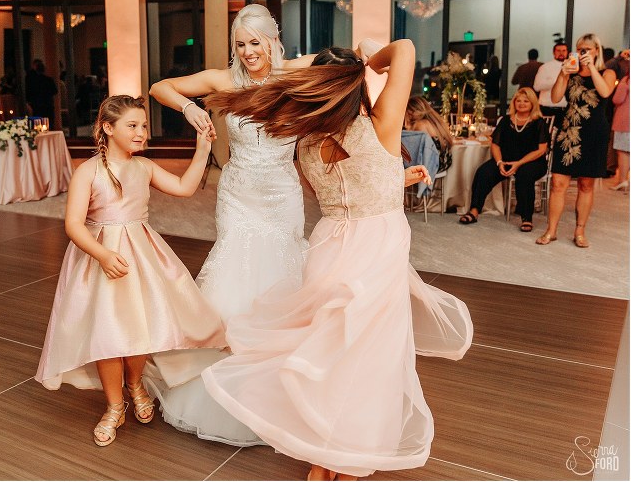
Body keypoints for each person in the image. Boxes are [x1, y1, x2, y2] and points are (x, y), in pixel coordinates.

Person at [145, 3, 422, 446]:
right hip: (238, 193)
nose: (248, 51)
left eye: (255, 42)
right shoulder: (223, 78)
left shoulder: (296, 72)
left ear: (272, 40)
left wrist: (370, 57)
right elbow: (161, 86)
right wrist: (188, 109)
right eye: (240, 43)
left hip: (283, 192)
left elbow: (350, 64)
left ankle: (281, 390)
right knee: (233, 270)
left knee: (282, 276)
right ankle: (213, 385)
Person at [200, 42, 473, 480]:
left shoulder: (304, 141)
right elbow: (403, 48)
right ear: (357, 83)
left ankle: (319, 464)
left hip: (329, 247)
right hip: (375, 250)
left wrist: (392, 176)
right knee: (370, 360)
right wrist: (369, 62)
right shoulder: (380, 124)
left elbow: (335, 192)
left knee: (333, 354)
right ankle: (346, 462)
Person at [35, 95, 227, 446]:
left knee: (137, 326)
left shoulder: (144, 168)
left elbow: (184, 189)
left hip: (140, 253)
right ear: (108, 128)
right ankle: (113, 404)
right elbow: (74, 224)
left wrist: (202, 150)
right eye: (133, 126)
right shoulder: (88, 171)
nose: (141, 134)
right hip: (101, 257)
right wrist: (103, 255)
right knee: (107, 334)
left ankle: (136, 383)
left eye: (144, 127)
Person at [537, 33, 616, 248]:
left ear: (596, 51)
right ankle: (551, 230)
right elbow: (555, 98)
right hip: (569, 132)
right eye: (580, 49)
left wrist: (591, 68)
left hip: (593, 134)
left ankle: (579, 231)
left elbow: (605, 92)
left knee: (586, 184)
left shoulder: (607, 72)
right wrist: (563, 74)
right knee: (558, 183)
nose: (582, 53)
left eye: (587, 50)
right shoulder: (570, 72)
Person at [459, 87, 549, 231]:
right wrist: (499, 162)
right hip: (506, 160)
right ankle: (474, 210)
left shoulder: (539, 123)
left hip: (532, 162)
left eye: (526, 101)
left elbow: (541, 150)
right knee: (484, 172)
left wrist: (519, 163)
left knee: (524, 175)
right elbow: (495, 144)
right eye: (518, 101)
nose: (521, 104)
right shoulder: (506, 121)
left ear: (532, 103)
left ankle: (526, 217)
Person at [404, 96, 453, 172]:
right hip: (445, 163)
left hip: (432, 165)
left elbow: (412, 148)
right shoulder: (436, 122)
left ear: (410, 112)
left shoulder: (421, 124)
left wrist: (407, 124)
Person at [533, 41, 569, 122]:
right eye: (558, 51)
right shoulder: (545, 67)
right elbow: (537, 86)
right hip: (547, 108)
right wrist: (556, 81)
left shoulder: (572, 67)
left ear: (567, 52)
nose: (561, 53)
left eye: (564, 51)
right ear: (554, 52)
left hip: (565, 108)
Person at [609, 75, 629, 191]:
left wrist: (622, 86)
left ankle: (622, 180)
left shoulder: (626, 81)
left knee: (623, 152)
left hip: (624, 121)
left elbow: (617, 99)